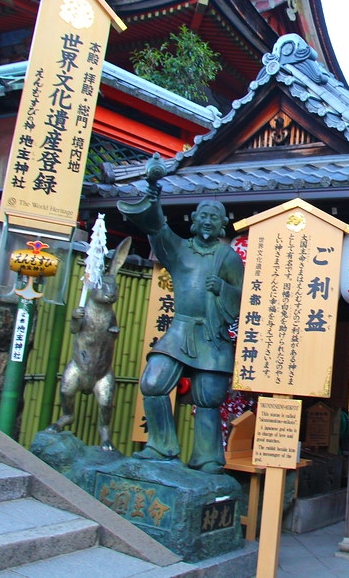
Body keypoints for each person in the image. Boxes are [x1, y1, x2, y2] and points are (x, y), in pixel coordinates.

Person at [119, 167, 244, 475]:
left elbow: (242, 297)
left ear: (223, 225)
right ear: (193, 220)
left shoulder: (228, 257)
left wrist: (224, 290)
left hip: (212, 335)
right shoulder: (179, 251)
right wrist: (153, 192)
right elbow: (158, 229)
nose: (208, 220)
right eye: (203, 215)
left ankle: (208, 458)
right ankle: (162, 446)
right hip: (180, 330)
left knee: (209, 397)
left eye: (215, 217)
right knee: (153, 383)